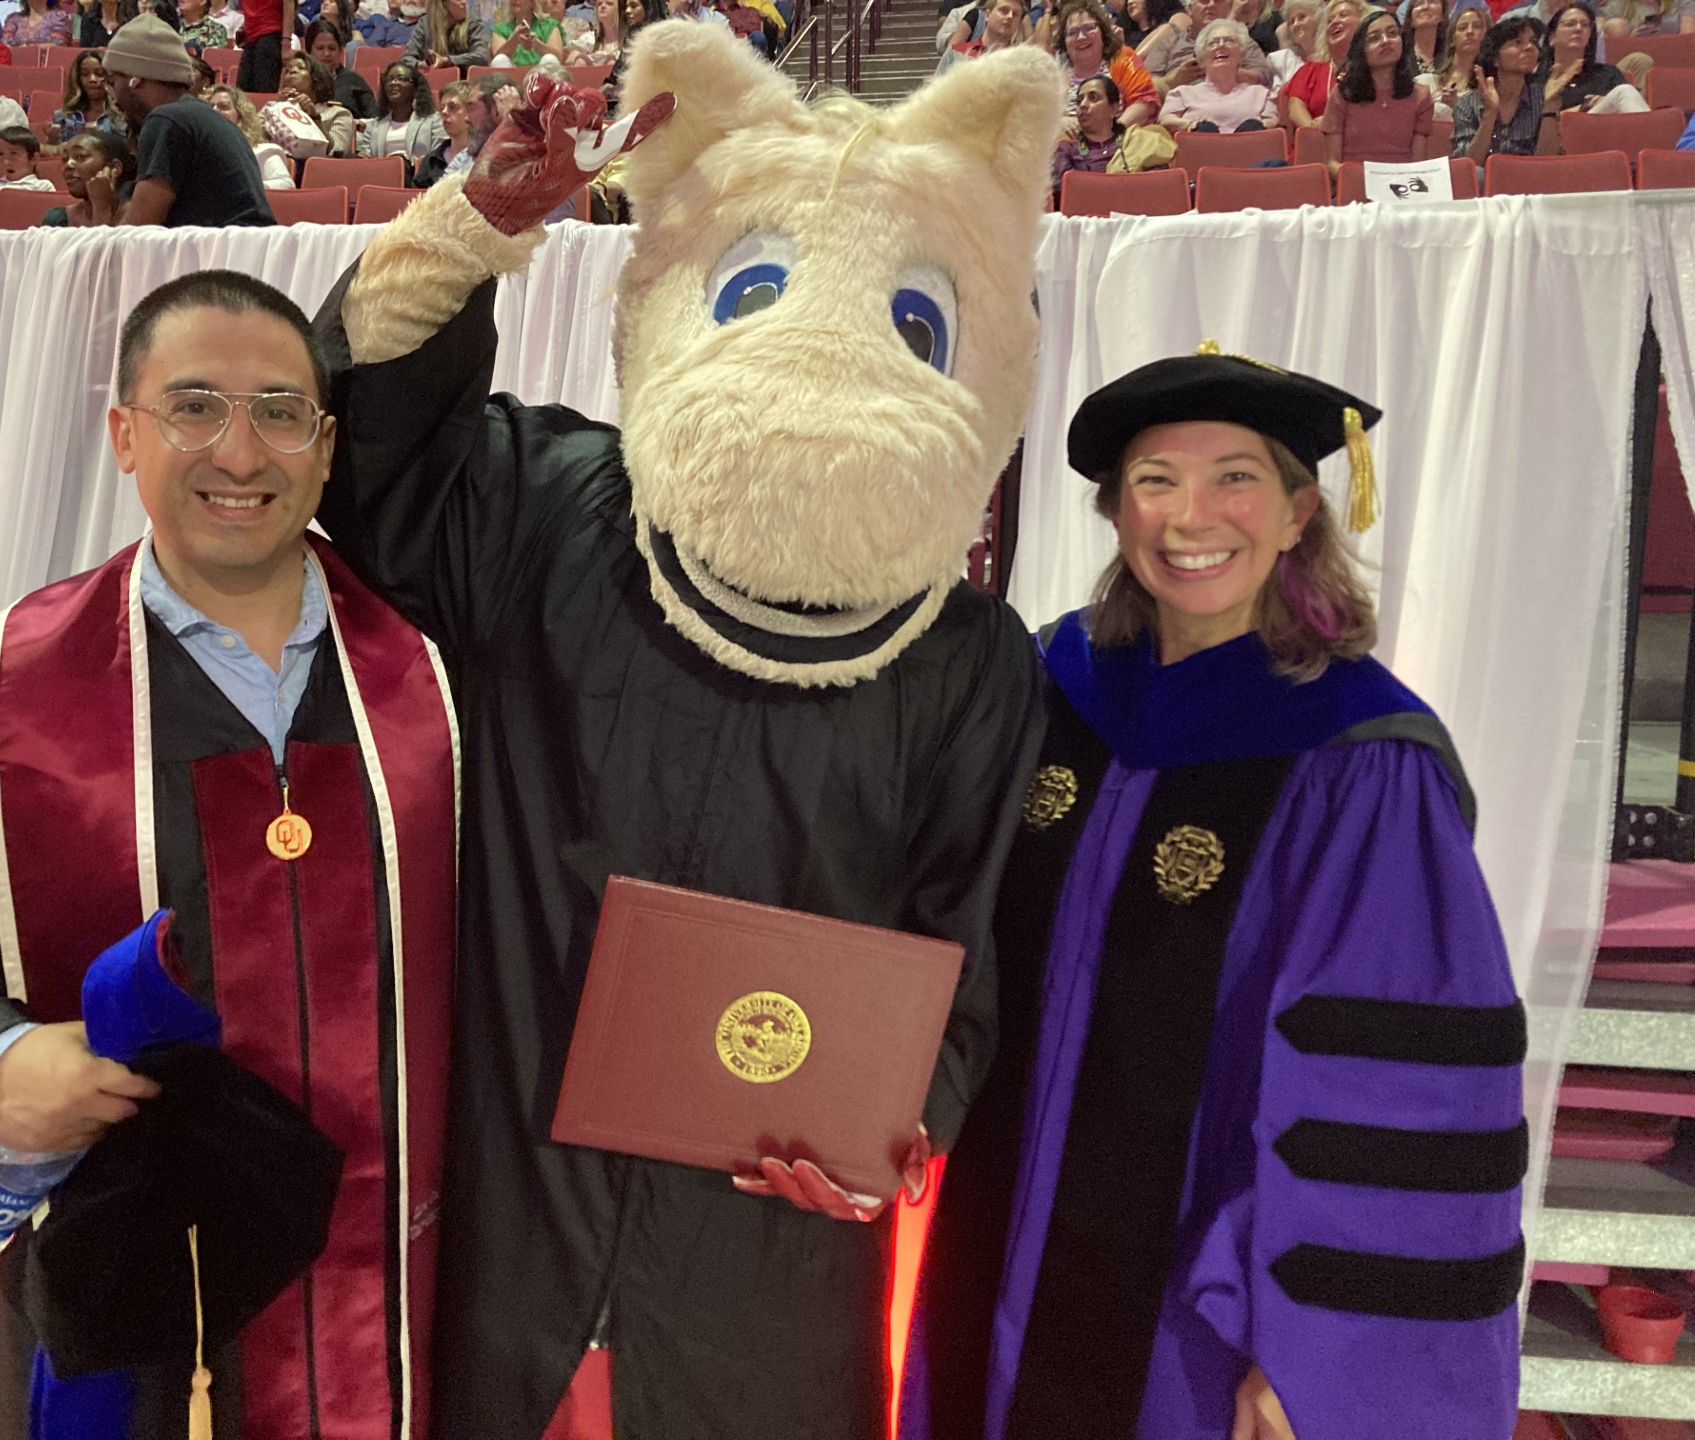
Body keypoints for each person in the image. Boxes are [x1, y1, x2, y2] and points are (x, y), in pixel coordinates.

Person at [317, 24, 1054, 1435]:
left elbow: (958, 943)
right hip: (509, 1212)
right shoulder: (544, 512)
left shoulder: (968, 666)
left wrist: (895, 1131)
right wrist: (474, 224)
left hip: (759, 1247)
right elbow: (369, 452)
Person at [0, 270, 458, 1440]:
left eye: (279, 412)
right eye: (193, 406)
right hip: (114, 1290)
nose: (239, 453)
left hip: (397, 1292)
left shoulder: (438, 679)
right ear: (123, 433)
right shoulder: (4, 687)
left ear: (327, 443)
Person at [908, 347, 1526, 1440]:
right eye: (1156, 479)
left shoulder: (1362, 765)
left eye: (1235, 477)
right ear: (1114, 513)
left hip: (1205, 1299)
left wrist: (1310, 1353)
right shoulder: (1050, 686)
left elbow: (1399, 1099)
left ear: (1298, 514)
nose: (1193, 515)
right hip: (995, 1242)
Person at [104, 12, 275, 223]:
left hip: (220, 253)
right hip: (242, 249)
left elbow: (137, 231)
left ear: (134, 80)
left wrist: (102, 207)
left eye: (113, 81)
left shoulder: (166, 119)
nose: (114, 96)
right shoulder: (207, 118)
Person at [1321, 9, 1431, 165]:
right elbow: (1332, 163)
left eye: (1392, 33)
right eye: (1374, 38)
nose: (1386, 41)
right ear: (1361, 50)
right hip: (1355, 183)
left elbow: (1418, 164)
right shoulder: (1342, 94)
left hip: (1402, 184)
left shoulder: (1421, 95)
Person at [1451, 14, 1558, 160]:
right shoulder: (1467, 104)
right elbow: (1468, 167)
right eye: (1518, 42)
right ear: (1495, 58)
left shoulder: (1544, 97)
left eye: (1533, 42)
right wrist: (1490, 114)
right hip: (1484, 179)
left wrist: (1550, 109)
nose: (1529, 47)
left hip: (1530, 178)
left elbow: (1549, 164)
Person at [1040, 0, 1159, 126]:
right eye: (1073, 32)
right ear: (1064, 41)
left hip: (1125, 139)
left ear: (1102, 32)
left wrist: (1114, 132)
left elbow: (1145, 103)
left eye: (1088, 28)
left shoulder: (1123, 58)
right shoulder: (1055, 77)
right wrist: (1061, 122)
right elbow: (1040, 121)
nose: (1081, 37)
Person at [1159, 17, 1276, 127]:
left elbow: (1273, 122)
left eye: (1229, 41)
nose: (1221, 46)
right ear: (1201, 59)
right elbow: (1166, 120)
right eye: (1213, 43)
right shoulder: (1182, 93)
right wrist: (1192, 125)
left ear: (1241, 56)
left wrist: (1256, 126)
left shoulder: (1261, 94)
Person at [1139, 0, 1273, 95]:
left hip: (1233, 102)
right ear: (1189, 10)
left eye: (1218, 0)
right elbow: (1143, 86)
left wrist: (1227, 72)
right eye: (1204, 0)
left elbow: (1265, 78)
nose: (1211, 4)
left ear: (1228, 9)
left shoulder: (1244, 42)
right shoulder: (1168, 44)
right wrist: (1174, 80)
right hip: (1178, 109)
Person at [1543, 1, 1649, 109]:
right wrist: (1581, 108)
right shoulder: (1538, 78)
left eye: (1585, 25)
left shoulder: (1608, 74)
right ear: (1552, 38)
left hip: (1605, 123)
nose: (1578, 28)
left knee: (1625, 91)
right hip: (1562, 124)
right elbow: (1533, 119)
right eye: (1570, 24)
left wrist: (1606, 101)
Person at [1282, 0, 1366, 128]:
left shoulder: (1375, 66)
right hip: (1318, 141)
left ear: (1363, 22)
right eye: (1330, 20)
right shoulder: (1311, 69)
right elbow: (1295, 107)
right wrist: (1314, 127)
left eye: (1343, 15)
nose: (1335, 22)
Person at [206, 79, 297, 183]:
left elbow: (285, 184)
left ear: (241, 115)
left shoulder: (263, 152)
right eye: (210, 107)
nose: (214, 111)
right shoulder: (201, 154)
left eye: (224, 106)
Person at [1052, 72, 1127, 189]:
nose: (1083, 105)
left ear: (1113, 108)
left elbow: (1155, 187)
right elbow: (1066, 194)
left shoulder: (1137, 142)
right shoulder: (1066, 151)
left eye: (1093, 98)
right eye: (1079, 101)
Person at [360, 57, 442, 163]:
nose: (393, 83)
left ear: (415, 88)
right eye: (389, 79)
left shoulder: (434, 121)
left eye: (401, 78)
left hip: (419, 176)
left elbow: (439, 159)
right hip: (382, 175)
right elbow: (366, 161)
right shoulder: (373, 126)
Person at [41, 121, 130, 217]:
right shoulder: (58, 219)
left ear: (114, 167)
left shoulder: (139, 216)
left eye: (80, 156)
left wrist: (101, 207)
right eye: (65, 159)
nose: (68, 165)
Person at [408, 70, 479, 182]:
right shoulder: (431, 161)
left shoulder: (484, 157)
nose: (444, 112)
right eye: (442, 108)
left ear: (470, 111)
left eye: (452, 107)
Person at [279, 48, 355, 150]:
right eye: (288, 70)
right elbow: (254, 143)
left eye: (301, 68)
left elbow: (338, 151)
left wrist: (315, 118)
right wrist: (277, 108)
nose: (292, 71)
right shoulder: (272, 107)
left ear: (316, 77)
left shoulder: (338, 113)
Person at [50, 47, 122, 145]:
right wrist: (54, 141)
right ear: (77, 79)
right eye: (85, 74)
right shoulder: (63, 117)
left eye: (99, 74)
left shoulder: (123, 117)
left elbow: (128, 153)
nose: (92, 79)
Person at [307, 17, 375, 115]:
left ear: (340, 51)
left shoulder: (353, 80)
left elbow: (374, 118)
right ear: (309, 52)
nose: (326, 53)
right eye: (320, 48)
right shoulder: (301, 81)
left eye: (332, 48)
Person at [1431, 0, 1484, 110]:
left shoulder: (1493, 85)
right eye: (1462, 27)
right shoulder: (1427, 82)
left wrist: (1459, 106)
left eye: (1477, 26)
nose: (1470, 31)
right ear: (1452, 39)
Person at [0, 120, 53, 186]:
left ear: (33, 158)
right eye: (1, 154)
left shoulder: (42, 186)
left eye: (13, 153)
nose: (6, 162)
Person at [1266, 0, 1320, 82]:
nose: (1296, 24)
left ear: (1318, 19)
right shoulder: (1283, 60)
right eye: (1292, 21)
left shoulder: (1331, 54)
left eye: (1302, 17)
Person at [491, 0, 564, 61]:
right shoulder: (500, 28)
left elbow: (558, 58)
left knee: (550, 59)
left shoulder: (549, 25)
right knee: (500, 59)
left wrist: (536, 44)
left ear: (533, 3)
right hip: (510, 75)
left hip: (541, 73)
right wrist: (514, 39)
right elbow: (496, 58)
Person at [237, 0, 284, 92]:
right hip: (251, 38)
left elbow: (288, 5)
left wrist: (287, 42)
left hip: (270, 36)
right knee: (242, 90)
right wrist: (244, 28)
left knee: (265, 88)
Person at [4, 0, 76, 43]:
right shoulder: (13, 18)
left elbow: (59, 43)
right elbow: (5, 43)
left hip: (47, 65)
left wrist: (28, 49)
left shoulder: (59, 16)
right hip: (17, 63)